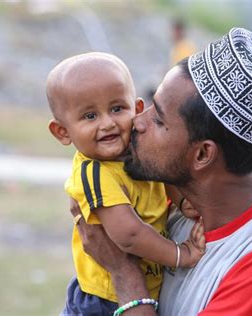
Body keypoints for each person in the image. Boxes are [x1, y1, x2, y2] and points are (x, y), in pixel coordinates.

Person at [75, 28, 252, 315]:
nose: (136, 122)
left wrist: (123, 271)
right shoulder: (172, 207)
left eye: (158, 119)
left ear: (203, 154)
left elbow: (121, 266)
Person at [45, 52, 205, 315]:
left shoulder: (135, 149)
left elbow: (161, 176)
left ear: (138, 110)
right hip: (104, 300)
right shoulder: (94, 173)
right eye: (89, 116)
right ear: (62, 131)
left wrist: (182, 201)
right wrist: (180, 254)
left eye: (117, 109)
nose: (107, 123)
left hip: (147, 288)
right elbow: (129, 236)